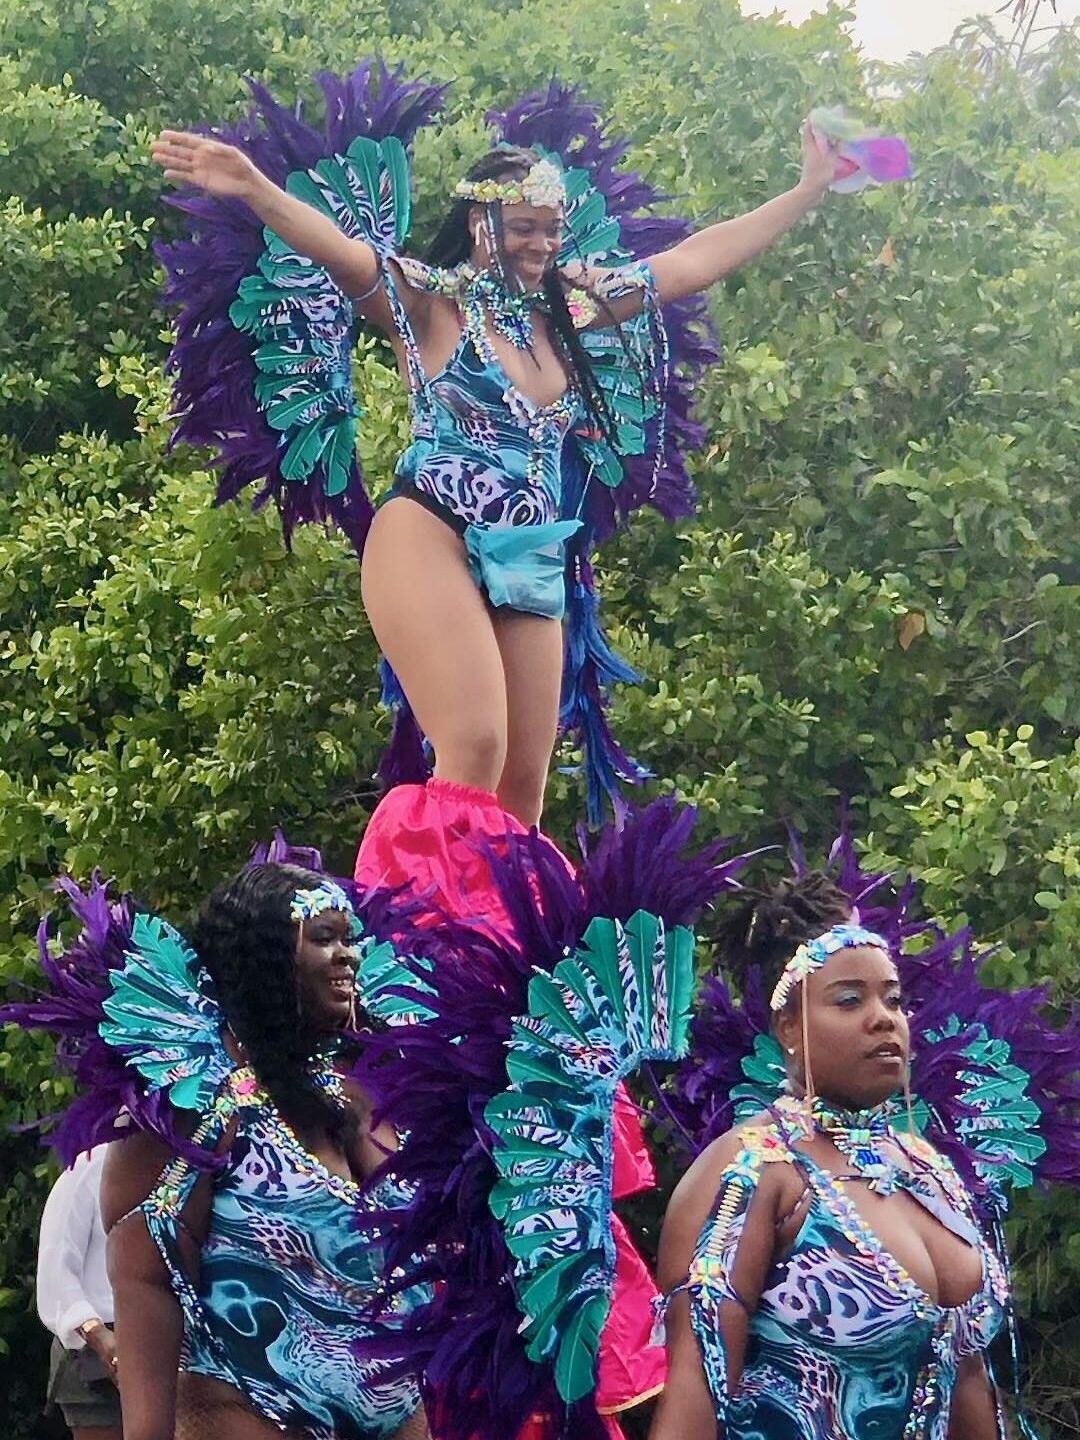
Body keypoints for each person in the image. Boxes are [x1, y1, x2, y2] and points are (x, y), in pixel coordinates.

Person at [150, 70, 851, 830]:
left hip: (530, 553)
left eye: (552, 228)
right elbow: (345, 254)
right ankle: (421, 919)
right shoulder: (430, 302)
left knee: (521, 794)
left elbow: (692, 261)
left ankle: (498, 944)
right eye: (525, 227)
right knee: (474, 748)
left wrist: (807, 190)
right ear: (482, 224)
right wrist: (255, 188)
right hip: (431, 531)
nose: (543, 243)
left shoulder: (572, 312)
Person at [5, 864, 428, 1440]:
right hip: (246, 1412)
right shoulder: (191, 1107)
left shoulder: (357, 1094)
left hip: (398, 1412)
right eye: (323, 938)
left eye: (349, 939)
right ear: (264, 959)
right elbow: (143, 1280)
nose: (347, 956)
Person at [649, 872, 1009, 1440]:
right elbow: (695, 1396)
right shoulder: (752, 1171)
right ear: (789, 1026)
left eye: (894, 999)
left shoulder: (932, 1173)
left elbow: (970, 1389)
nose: (883, 1018)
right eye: (849, 1000)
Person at [36, 1145, 122, 1440]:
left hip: (171, 1346)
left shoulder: (190, 1165)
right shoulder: (89, 1166)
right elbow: (56, 1267)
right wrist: (98, 1335)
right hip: (93, 1351)